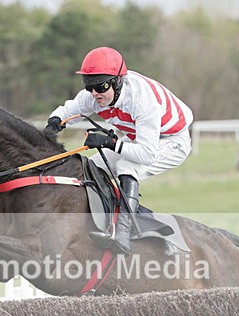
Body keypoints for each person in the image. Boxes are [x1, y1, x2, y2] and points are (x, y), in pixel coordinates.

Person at [45, 46, 194, 255]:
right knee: (91, 168)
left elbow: (146, 154)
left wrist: (111, 143)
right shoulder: (96, 95)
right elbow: (70, 109)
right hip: (137, 139)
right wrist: (54, 121)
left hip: (172, 141)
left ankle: (123, 232)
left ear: (117, 81)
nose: (95, 93)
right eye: (89, 87)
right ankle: (103, 221)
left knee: (127, 165)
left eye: (100, 87)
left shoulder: (142, 101)